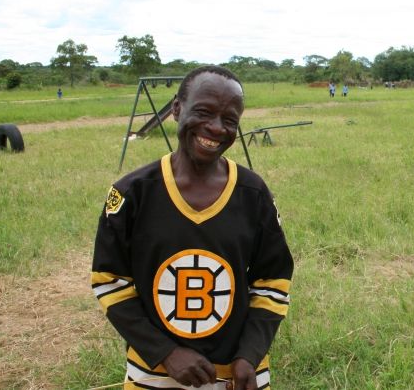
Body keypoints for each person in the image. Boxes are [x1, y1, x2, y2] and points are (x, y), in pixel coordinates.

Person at [91, 65, 294, 390]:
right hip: (154, 374)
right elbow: (109, 281)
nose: (215, 128)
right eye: (203, 112)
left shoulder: (253, 194)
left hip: (237, 375)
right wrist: (166, 352)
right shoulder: (132, 193)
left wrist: (250, 355)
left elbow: (273, 280)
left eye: (230, 120)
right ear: (176, 109)